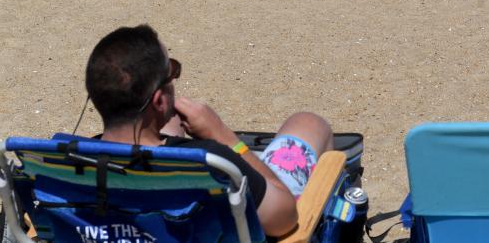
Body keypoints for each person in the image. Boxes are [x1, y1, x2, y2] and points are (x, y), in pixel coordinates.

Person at [83, 25, 332, 237]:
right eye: (172, 72)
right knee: (308, 123)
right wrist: (223, 136)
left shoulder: (68, 166)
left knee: (171, 127)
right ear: (159, 101)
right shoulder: (212, 162)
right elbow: (284, 218)